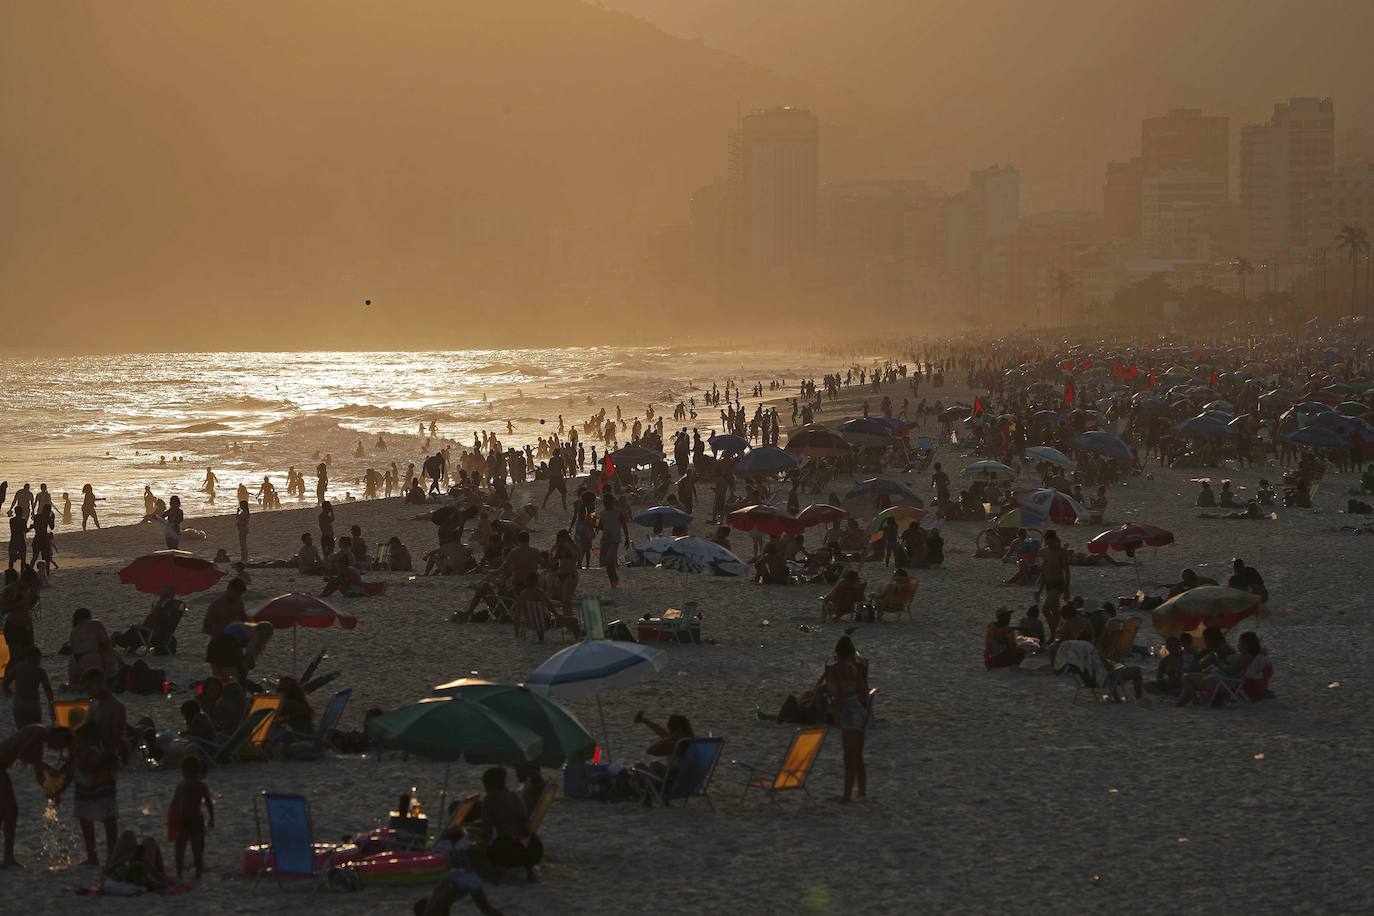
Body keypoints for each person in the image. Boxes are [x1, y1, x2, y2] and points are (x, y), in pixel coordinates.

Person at [1, 724, 74, 866]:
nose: (57, 748)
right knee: (11, 812)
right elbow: (22, 754)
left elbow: (39, 776)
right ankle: (8, 858)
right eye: (60, 744)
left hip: (2, 767)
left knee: (7, 812)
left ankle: (7, 857)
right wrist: (47, 767)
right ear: (57, 735)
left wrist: (52, 793)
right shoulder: (39, 731)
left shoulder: (40, 740)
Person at [475, 766, 543, 882]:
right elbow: (523, 824)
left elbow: (487, 833)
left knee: (479, 850)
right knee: (520, 840)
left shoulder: (490, 799)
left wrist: (476, 842)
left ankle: (499, 872)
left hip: (509, 850)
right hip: (534, 848)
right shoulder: (515, 796)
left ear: (489, 784)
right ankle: (529, 871)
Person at [825, 636, 869, 802]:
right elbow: (864, 691)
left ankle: (847, 796)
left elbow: (837, 695)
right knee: (858, 755)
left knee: (848, 756)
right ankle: (862, 792)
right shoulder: (854, 669)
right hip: (859, 710)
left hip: (849, 712)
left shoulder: (835, 669)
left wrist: (836, 715)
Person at [169, 755, 214, 879]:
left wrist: (176, 820)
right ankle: (198, 874)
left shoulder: (182, 785)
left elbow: (179, 804)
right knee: (196, 849)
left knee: (180, 847)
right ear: (198, 771)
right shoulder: (202, 785)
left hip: (185, 819)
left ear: (184, 771)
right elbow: (209, 803)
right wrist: (211, 818)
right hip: (197, 819)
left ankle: (179, 873)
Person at [3, 646, 55, 727]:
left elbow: (5, 682)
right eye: (39, 658)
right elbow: (48, 690)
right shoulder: (40, 671)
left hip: (20, 704)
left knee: (21, 732)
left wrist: (7, 691)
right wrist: (51, 704)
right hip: (33, 705)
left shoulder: (17, 668)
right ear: (37, 657)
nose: (39, 660)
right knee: (35, 732)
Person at [1037, 530, 1070, 632]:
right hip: (1048, 584)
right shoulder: (1045, 552)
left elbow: (1067, 572)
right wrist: (1040, 590)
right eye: (1047, 541)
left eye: (1050, 541)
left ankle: (1053, 633)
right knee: (1055, 611)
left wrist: (1066, 590)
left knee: (1045, 609)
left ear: (1055, 540)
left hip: (1058, 584)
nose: (1048, 543)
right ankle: (1059, 633)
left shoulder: (1061, 553)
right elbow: (1044, 572)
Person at [598, 493, 630, 588]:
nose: (606, 503)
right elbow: (600, 526)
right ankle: (613, 579)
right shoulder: (602, 513)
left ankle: (614, 579)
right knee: (605, 563)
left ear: (612, 502)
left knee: (609, 561)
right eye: (604, 502)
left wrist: (627, 538)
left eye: (608, 501)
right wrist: (593, 523)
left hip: (614, 540)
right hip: (605, 540)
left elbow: (624, 525)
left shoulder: (618, 512)